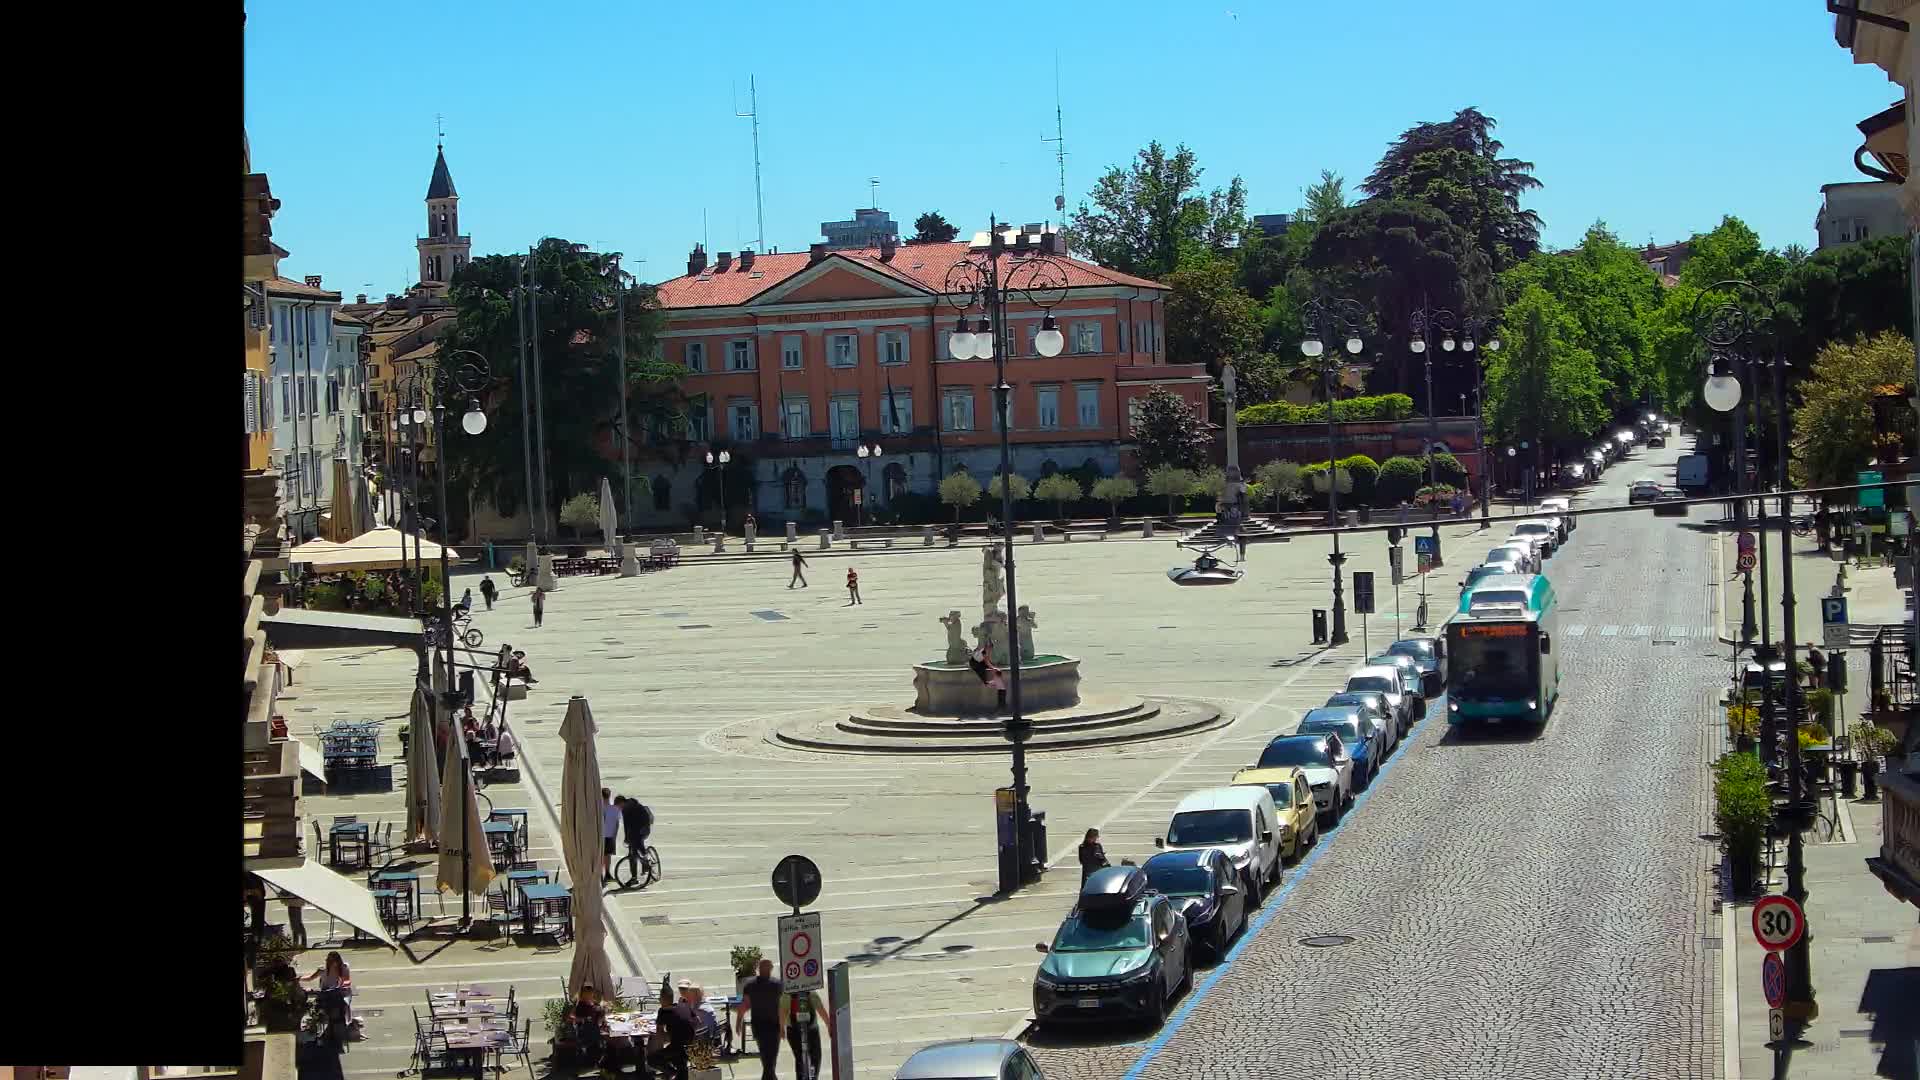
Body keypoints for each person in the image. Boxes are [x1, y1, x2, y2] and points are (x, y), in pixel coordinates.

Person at [737, 958, 785, 1080]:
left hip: (762, 1026)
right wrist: (782, 1026)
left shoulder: (751, 985)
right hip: (770, 1026)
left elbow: (745, 1005)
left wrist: (739, 1021)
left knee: (767, 1059)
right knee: (770, 1059)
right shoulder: (777, 984)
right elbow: (782, 1007)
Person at [783, 982, 830, 1080]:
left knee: (799, 1058)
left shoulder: (787, 994)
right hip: (812, 1029)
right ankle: (814, 1077)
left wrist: (781, 1029)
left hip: (793, 1029)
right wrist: (829, 1026)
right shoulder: (811, 992)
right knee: (815, 1056)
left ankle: (800, 1077)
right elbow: (821, 1010)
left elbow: (782, 1012)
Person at [300, 952, 356, 1032]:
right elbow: (310, 978)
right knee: (316, 1006)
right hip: (325, 992)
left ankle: (347, 1023)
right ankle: (313, 1024)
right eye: (329, 961)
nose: (331, 963)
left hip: (339, 992)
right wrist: (299, 978)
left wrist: (342, 985)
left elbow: (347, 980)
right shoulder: (322, 969)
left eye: (333, 961)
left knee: (345, 1004)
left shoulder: (343, 967)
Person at [650, 982, 695, 1080]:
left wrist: (657, 1046)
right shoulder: (684, 1005)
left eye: (660, 998)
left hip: (678, 1047)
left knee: (652, 1059)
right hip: (692, 1046)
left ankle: (672, 1073)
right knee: (679, 1063)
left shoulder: (663, 1011)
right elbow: (697, 1021)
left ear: (662, 999)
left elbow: (659, 1035)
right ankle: (677, 1075)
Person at [619, 793, 653, 877]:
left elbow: (645, 819)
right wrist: (626, 838)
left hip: (642, 830)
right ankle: (634, 876)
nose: (619, 808)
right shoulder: (624, 809)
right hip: (633, 832)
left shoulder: (637, 807)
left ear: (622, 802)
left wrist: (642, 830)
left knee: (638, 846)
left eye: (619, 806)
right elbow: (626, 825)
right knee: (632, 854)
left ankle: (646, 860)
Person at [601, 787, 621, 883]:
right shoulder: (615, 809)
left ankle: (600, 875)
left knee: (600, 855)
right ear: (609, 796)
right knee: (608, 855)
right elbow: (617, 823)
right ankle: (607, 873)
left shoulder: (599, 809)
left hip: (600, 836)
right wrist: (615, 835)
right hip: (610, 835)